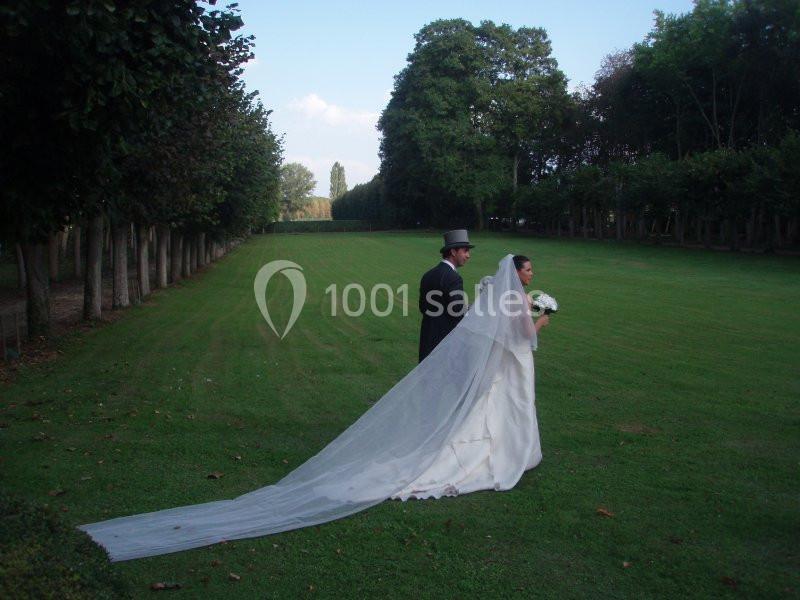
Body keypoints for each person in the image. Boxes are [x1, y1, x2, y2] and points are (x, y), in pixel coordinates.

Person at [78, 254, 550, 562]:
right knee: (496, 415)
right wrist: (543, 317)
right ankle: (494, 454)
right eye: (528, 272)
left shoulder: (490, 291)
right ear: (519, 273)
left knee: (494, 412)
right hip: (505, 365)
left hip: (490, 363)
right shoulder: (510, 298)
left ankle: (502, 447)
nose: (529, 277)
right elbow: (522, 335)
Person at [418, 229, 474, 362]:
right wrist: (474, 308)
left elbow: (423, 307)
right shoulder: (453, 278)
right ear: (453, 251)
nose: (468, 255)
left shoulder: (428, 275)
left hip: (427, 338)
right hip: (446, 342)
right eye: (465, 251)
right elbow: (457, 312)